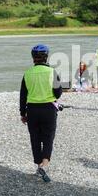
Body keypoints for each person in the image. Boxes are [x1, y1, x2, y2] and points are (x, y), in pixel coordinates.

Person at [20, 44, 62, 183]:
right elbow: (58, 93)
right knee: (48, 137)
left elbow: (23, 96)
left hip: (32, 109)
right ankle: (45, 164)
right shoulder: (52, 72)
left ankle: (38, 165)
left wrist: (22, 113)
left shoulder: (27, 73)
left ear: (33, 58)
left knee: (35, 138)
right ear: (46, 56)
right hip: (48, 109)